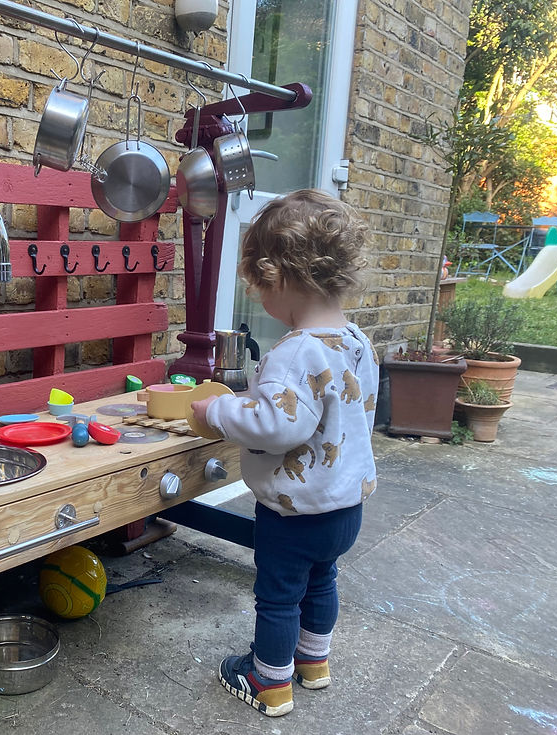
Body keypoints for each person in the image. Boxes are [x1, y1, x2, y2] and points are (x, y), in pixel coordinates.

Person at [190, 188, 379, 717]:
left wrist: (216, 413)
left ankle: (269, 681)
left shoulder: (297, 350)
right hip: (345, 506)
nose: (260, 302)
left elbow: (277, 427)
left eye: (257, 289)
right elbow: (332, 410)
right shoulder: (356, 340)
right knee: (323, 579)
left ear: (275, 277)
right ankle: (313, 662)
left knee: (278, 596)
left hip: (294, 513)